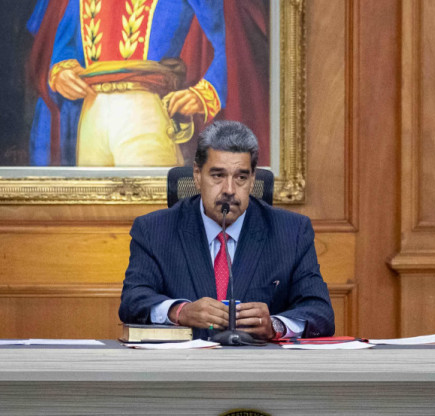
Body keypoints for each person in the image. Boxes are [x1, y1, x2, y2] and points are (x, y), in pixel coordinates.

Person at [119, 121, 334, 340]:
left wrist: (275, 325)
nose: (229, 190)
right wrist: (180, 312)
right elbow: (133, 301)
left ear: (252, 181)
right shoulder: (154, 230)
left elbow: (320, 313)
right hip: (182, 368)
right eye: (218, 176)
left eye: (241, 177)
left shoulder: (291, 232)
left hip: (259, 368)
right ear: (197, 175)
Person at [26, 0, 227, 167]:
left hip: (143, 110)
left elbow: (231, 43)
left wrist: (205, 93)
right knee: (91, 207)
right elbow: (64, 44)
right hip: (91, 112)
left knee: (148, 206)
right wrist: (62, 70)